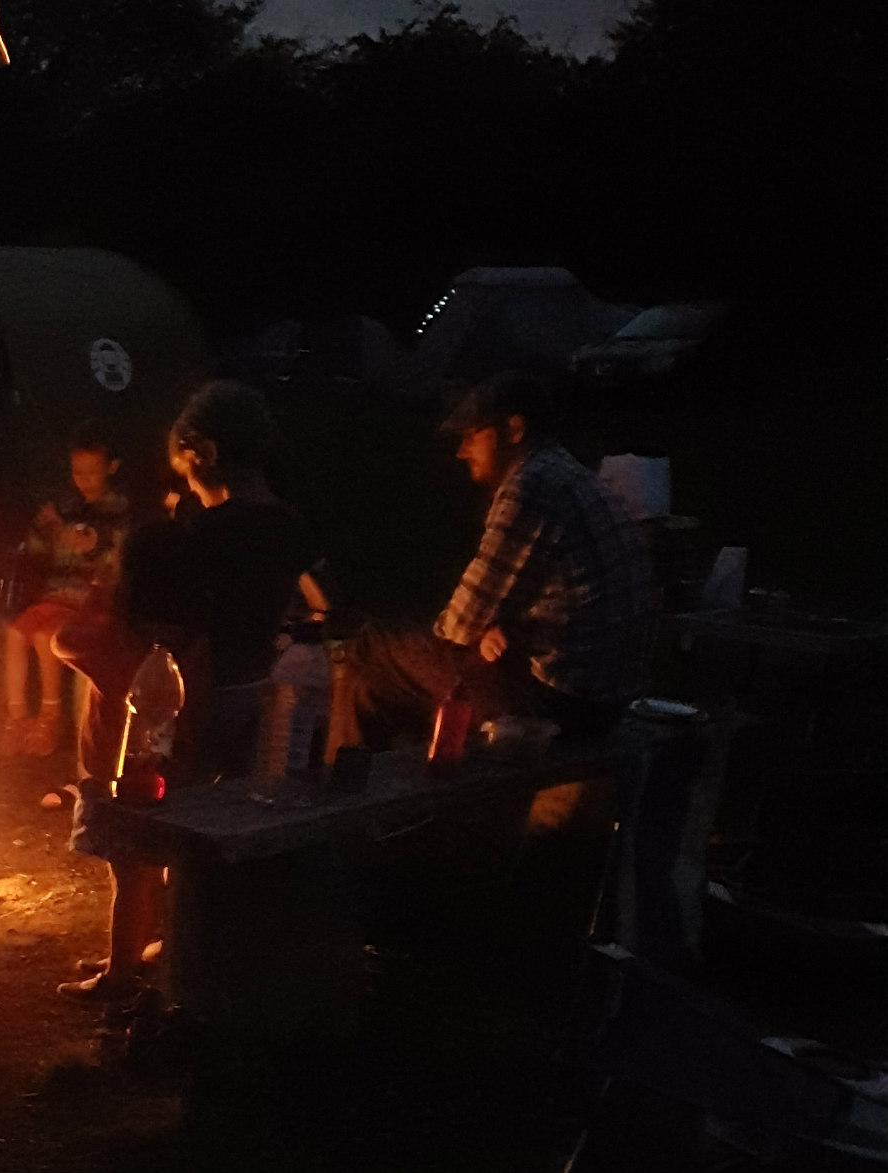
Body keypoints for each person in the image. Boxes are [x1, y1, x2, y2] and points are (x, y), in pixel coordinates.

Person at [54, 380, 326, 1000]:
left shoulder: (205, 533)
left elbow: (169, 602)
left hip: (184, 693)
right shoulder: (289, 523)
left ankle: (150, 966)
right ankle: (176, 948)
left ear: (202, 452)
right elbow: (317, 597)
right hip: (255, 692)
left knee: (158, 830)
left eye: (185, 466)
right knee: (203, 830)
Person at [324, 371, 655, 753]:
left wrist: (476, 629)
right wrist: (494, 628)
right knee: (389, 680)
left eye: (472, 436)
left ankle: (341, 781)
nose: (461, 452)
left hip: (559, 703)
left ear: (513, 429)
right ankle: (397, 774)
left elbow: (462, 623)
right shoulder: (567, 475)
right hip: (605, 696)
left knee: (368, 649)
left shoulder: (530, 486)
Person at [1, 422, 129, 757]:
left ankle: (50, 718)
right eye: (77, 471)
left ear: (112, 467)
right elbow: (37, 548)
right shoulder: (65, 507)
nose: (83, 479)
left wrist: (80, 539)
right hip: (53, 597)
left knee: (47, 637)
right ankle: (17, 717)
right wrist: (44, 530)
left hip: (85, 603)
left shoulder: (117, 512)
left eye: (91, 471)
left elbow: (105, 552)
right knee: (15, 633)